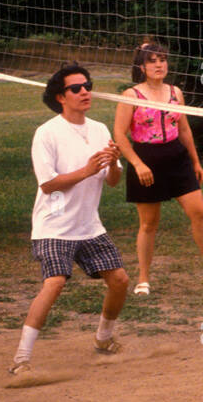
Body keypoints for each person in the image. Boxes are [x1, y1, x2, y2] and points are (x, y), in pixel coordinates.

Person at [10, 63, 131, 375]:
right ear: (60, 97)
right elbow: (48, 184)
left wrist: (114, 165)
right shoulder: (47, 133)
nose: (85, 91)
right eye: (76, 88)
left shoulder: (100, 129)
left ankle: (103, 340)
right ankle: (21, 360)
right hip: (54, 226)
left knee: (120, 281)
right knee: (55, 283)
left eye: (87, 85)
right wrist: (86, 171)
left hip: (88, 226)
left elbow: (112, 181)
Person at [113, 41, 203, 295]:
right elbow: (119, 134)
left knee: (199, 213)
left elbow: (184, 129)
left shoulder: (175, 92)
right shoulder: (131, 95)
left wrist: (195, 161)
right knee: (148, 224)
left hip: (177, 157)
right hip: (146, 159)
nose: (158, 65)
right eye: (152, 60)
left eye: (162, 59)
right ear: (141, 66)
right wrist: (138, 163)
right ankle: (143, 278)